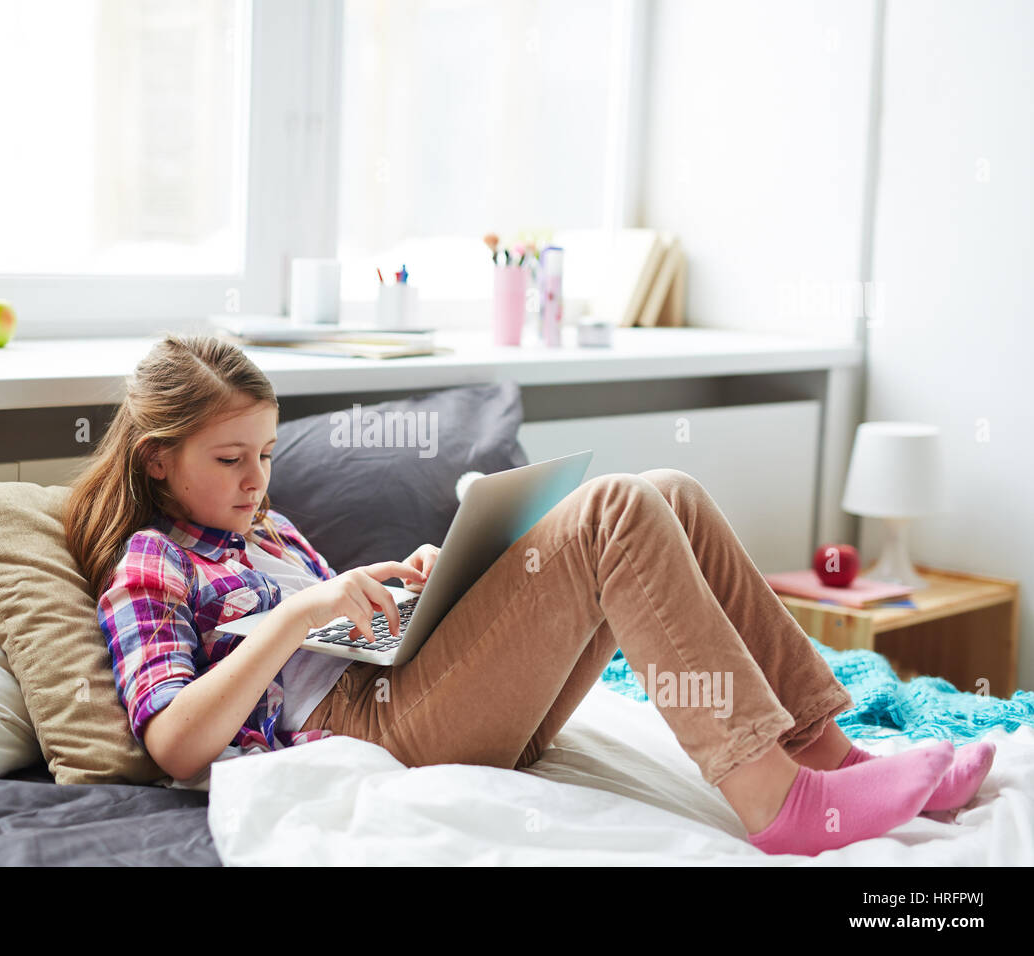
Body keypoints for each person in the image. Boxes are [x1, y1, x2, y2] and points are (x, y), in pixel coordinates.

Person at [65, 333, 996, 857]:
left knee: (669, 491)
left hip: (410, 682)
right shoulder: (151, 561)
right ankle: (771, 796)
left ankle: (824, 750)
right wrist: (303, 610)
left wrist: (418, 587)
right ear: (157, 456)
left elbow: (346, 628)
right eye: (230, 461)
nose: (255, 481)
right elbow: (174, 744)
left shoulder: (265, 531)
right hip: (362, 727)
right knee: (618, 510)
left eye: (266, 455)